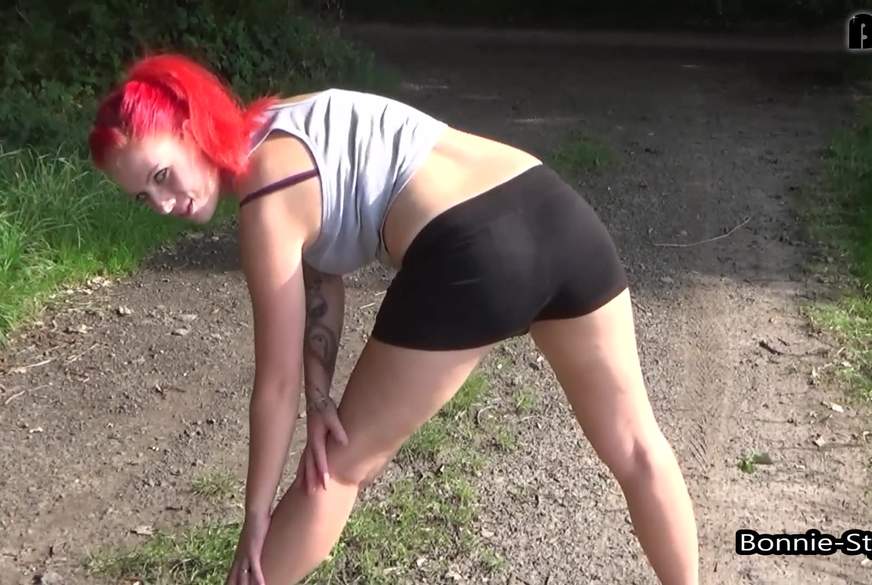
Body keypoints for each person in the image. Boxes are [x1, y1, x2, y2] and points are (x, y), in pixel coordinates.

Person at [88, 53, 700, 585]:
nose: (162, 203)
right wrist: (320, 394)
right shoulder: (282, 122)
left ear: (192, 127)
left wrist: (254, 519)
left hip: (474, 245)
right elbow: (320, 269)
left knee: (336, 470)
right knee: (638, 448)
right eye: (144, 195)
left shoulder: (266, 196)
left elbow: (273, 385)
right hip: (555, 210)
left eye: (162, 174)